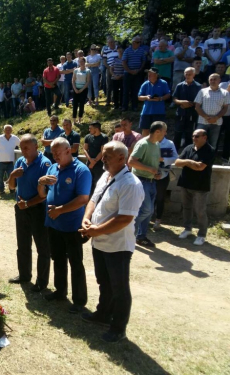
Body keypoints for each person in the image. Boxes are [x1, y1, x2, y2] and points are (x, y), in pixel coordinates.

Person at [79, 141, 144, 343]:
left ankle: (118, 327)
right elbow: (93, 200)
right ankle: (103, 314)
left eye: (107, 156)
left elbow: (125, 218)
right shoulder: (106, 176)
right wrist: (86, 219)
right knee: (103, 281)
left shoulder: (131, 184)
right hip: (99, 242)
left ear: (122, 159)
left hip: (117, 246)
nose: (103, 158)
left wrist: (96, 230)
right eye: (103, 154)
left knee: (119, 287)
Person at [37, 138, 91, 311]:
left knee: (76, 262)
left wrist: (60, 210)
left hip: (72, 225)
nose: (54, 156)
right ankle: (60, 291)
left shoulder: (81, 171)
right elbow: (43, 195)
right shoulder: (53, 168)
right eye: (53, 153)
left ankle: (79, 301)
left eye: (57, 153)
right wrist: (41, 182)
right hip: (53, 224)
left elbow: (83, 199)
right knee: (58, 259)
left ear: (69, 151)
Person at [7, 134, 52, 292]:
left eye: (26, 147)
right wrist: (12, 176)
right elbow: (12, 187)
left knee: (42, 247)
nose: (23, 150)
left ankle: (41, 281)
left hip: (38, 210)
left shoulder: (45, 164)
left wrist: (28, 203)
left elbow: (46, 194)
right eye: (21, 147)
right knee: (23, 244)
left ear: (36, 147)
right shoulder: (20, 162)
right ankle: (24, 275)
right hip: (21, 209)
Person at [174, 129, 215, 245]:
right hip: (185, 183)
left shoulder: (209, 150)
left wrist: (186, 163)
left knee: (200, 211)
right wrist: (189, 161)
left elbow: (200, 167)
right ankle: (187, 229)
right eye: (193, 136)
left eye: (197, 136)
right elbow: (177, 162)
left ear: (204, 137)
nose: (194, 138)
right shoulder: (188, 148)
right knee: (186, 208)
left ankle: (202, 234)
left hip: (200, 186)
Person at [128, 121, 166, 247]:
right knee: (146, 210)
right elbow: (131, 161)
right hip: (141, 181)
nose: (165, 134)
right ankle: (127, 229)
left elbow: (153, 164)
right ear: (157, 131)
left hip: (151, 181)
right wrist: (150, 169)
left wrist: (156, 173)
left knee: (149, 212)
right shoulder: (143, 144)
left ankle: (141, 237)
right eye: (164, 131)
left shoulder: (156, 145)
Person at [194, 73, 230, 149]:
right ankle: (197, 158)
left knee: (213, 143)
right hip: (202, 121)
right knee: (198, 141)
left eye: (215, 79)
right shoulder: (202, 91)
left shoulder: (225, 93)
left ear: (219, 80)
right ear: (208, 80)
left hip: (217, 122)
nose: (213, 81)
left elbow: (225, 108)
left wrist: (216, 117)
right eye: (211, 79)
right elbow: (197, 106)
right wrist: (206, 117)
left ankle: (209, 160)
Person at [172, 67, 202, 150]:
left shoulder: (198, 86)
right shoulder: (179, 85)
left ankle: (188, 152)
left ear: (194, 75)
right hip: (180, 113)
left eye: (190, 74)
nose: (187, 76)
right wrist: (182, 102)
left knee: (189, 134)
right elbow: (174, 99)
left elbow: (200, 100)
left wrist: (188, 104)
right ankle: (175, 152)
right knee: (177, 133)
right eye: (186, 74)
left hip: (192, 114)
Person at [153, 134, 178, 230]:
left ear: (164, 132)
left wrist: (163, 159)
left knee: (160, 198)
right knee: (147, 197)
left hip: (163, 175)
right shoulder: (148, 142)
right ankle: (147, 219)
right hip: (149, 174)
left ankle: (158, 219)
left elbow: (175, 158)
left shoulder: (169, 143)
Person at [138, 67, 171, 137]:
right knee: (145, 130)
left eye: (151, 74)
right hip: (146, 112)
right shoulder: (145, 84)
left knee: (159, 130)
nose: (149, 76)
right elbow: (139, 97)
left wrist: (160, 98)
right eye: (148, 74)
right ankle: (144, 146)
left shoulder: (163, 83)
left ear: (156, 75)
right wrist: (146, 97)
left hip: (159, 112)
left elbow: (168, 95)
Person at [0, 125, 21, 195]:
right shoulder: (0, 138)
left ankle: (12, 189)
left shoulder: (15, 138)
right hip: (0, 161)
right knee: (0, 177)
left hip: (10, 162)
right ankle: (1, 190)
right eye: (6, 129)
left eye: (9, 129)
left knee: (12, 176)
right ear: (4, 130)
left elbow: (21, 144)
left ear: (12, 130)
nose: (8, 131)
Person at [122, 36, 146, 111]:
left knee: (135, 90)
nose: (139, 43)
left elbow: (143, 61)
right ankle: (124, 106)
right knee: (126, 90)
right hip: (128, 73)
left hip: (137, 73)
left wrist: (139, 70)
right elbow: (124, 62)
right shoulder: (127, 50)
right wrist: (129, 71)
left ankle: (134, 106)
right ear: (133, 42)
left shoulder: (141, 50)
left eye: (140, 42)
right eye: (137, 42)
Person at [84, 122, 108, 195]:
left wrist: (94, 162)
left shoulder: (104, 137)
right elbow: (85, 149)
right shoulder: (88, 137)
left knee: (97, 182)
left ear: (96, 129)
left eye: (91, 128)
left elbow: (102, 151)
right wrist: (90, 160)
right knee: (88, 182)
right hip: (89, 163)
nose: (89, 130)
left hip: (99, 165)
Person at [72, 57, 91, 124]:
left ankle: (80, 119)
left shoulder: (88, 71)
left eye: (82, 61)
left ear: (84, 62)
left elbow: (88, 81)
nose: (81, 63)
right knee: (75, 104)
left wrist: (82, 89)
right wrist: (75, 89)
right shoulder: (76, 70)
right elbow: (73, 80)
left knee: (81, 104)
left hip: (83, 89)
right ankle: (74, 120)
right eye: (80, 62)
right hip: (76, 89)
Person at [102, 37, 119, 106]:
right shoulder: (106, 50)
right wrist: (109, 68)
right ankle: (108, 101)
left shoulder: (118, 49)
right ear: (108, 44)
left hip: (118, 68)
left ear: (114, 42)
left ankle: (115, 100)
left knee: (117, 85)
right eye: (109, 42)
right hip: (109, 69)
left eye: (112, 42)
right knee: (109, 85)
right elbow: (104, 61)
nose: (111, 44)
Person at [219, 79, 230, 165]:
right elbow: (219, 97)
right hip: (219, 115)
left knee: (228, 138)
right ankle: (212, 155)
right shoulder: (222, 84)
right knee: (216, 136)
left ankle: (225, 157)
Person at [110, 45, 125, 110]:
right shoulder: (115, 58)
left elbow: (126, 68)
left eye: (121, 50)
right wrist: (114, 75)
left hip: (122, 77)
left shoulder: (124, 59)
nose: (120, 51)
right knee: (115, 92)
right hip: (115, 78)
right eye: (118, 50)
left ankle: (121, 105)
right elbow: (111, 68)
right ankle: (116, 105)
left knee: (122, 92)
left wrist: (121, 75)